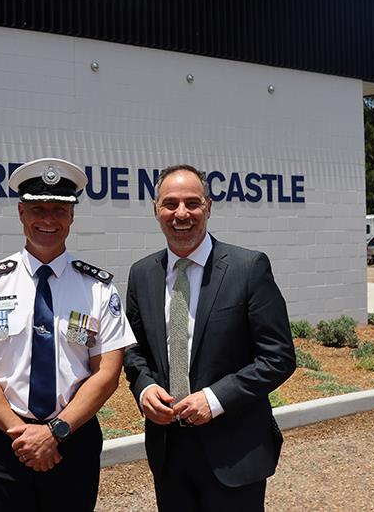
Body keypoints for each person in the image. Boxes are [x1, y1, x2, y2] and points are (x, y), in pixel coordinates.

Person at [0, 157, 136, 512]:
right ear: (20, 212)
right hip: (3, 441)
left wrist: (55, 431)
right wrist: (21, 434)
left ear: (72, 216)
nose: (48, 219)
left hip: (72, 439)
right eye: (38, 208)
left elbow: (107, 373)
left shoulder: (97, 289)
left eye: (59, 210)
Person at [123, 164, 296, 511]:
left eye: (192, 203)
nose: (181, 213)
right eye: (170, 204)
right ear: (156, 210)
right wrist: (143, 387)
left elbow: (278, 357)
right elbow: (132, 349)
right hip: (169, 449)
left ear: (209, 207)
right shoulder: (142, 274)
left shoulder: (248, 268)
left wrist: (215, 399)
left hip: (234, 450)